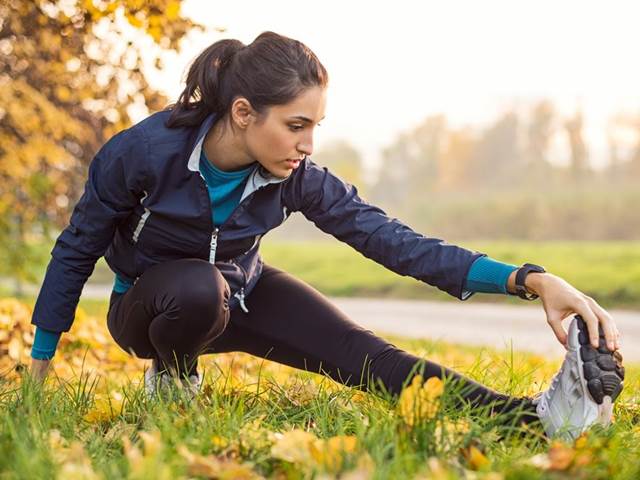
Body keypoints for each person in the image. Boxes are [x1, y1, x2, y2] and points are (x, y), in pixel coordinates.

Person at [29, 31, 624, 441]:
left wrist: (528, 278)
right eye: (296, 125)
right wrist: (42, 362)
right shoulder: (142, 153)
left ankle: (536, 420)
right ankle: (174, 374)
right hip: (148, 309)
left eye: (315, 126)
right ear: (242, 113)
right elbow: (77, 246)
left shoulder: (297, 177)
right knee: (197, 288)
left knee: (367, 356)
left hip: (240, 290)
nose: (308, 144)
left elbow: (394, 242)